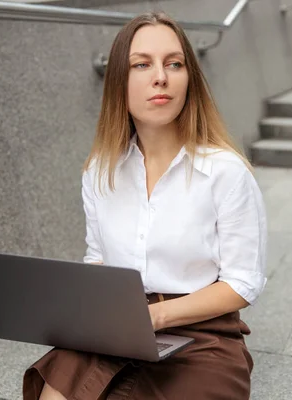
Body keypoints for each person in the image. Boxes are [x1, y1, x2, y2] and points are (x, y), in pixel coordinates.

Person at [22, 11, 267, 400]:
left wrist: (155, 317)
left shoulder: (226, 172)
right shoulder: (100, 172)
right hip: (116, 325)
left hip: (202, 335)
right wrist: (76, 310)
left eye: (174, 63)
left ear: (190, 79)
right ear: (119, 79)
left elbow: (242, 283)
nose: (161, 77)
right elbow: (98, 259)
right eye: (142, 64)